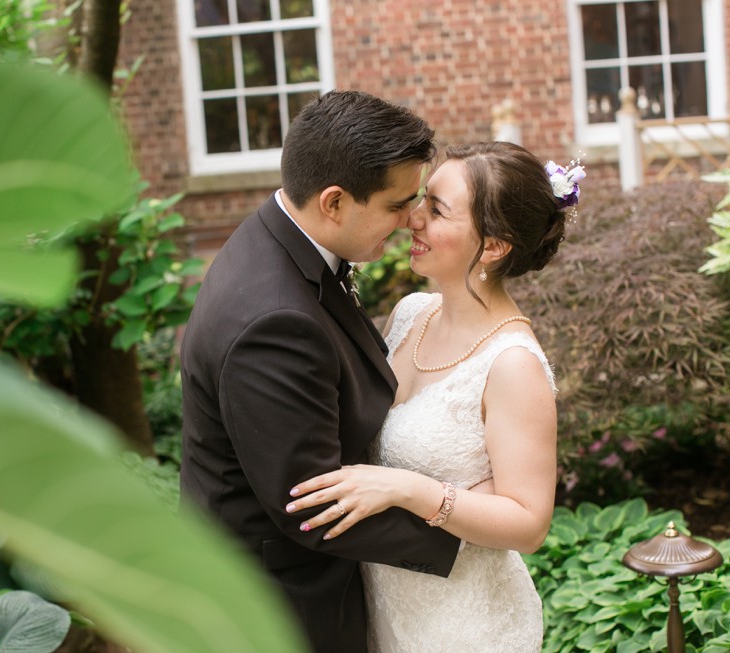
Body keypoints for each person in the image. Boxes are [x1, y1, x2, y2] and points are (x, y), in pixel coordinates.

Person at [178, 90, 462, 653]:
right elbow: (309, 506)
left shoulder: (283, 239)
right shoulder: (275, 321)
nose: (412, 220)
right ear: (333, 202)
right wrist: (468, 533)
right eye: (396, 204)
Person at [286, 141, 582, 652]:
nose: (411, 219)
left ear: (493, 246)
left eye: (436, 210)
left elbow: (529, 524)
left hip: (464, 624)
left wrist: (409, 489)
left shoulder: (512, 365)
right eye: (421, 200)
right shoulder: (410, 314)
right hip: (385, 606)